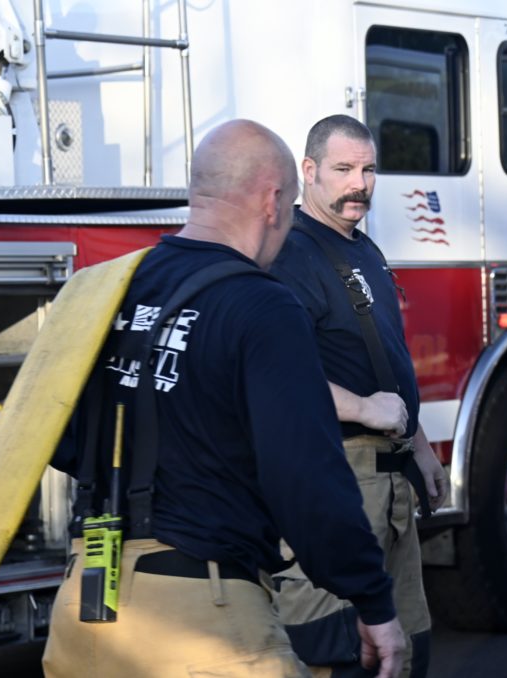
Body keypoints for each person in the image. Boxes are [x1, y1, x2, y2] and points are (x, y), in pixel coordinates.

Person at [41, 119, 406, 678]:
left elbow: (58, 439)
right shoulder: (261, 305)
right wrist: (372, 599)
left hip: (84, 608)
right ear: (273, 201)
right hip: (201, 618)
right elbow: (307, 479)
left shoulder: (107, 286)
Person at [269, 114, 449, 678]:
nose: (359, 184)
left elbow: (382, 361)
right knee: (342, 652)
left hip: (391, 483)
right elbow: (278, 376)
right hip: (336, 481)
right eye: (344, 169)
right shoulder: (291, 254)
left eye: (369, 170)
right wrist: (366, 410)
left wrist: (420, 445)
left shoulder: (362, 248)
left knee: (406, 651)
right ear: (309, 171)